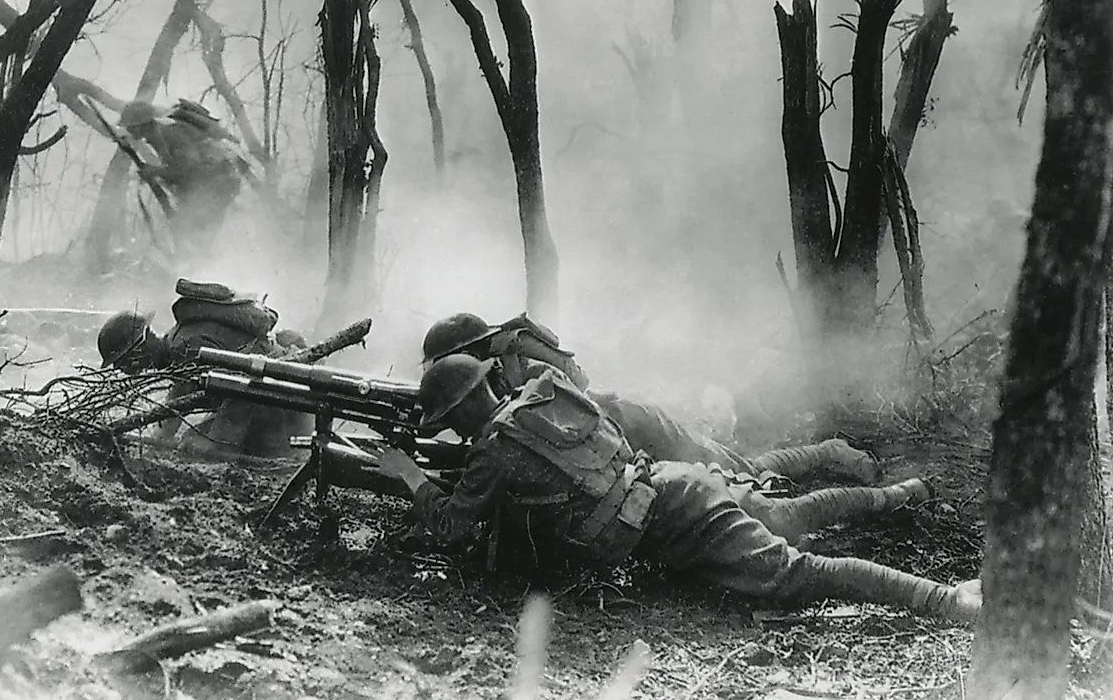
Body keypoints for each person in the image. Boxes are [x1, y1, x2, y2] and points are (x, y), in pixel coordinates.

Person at [375, 355, 980, 622]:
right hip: (671, 484)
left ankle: (947, 601)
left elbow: (454, 527)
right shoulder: (541, 396)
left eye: (447, 420)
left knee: (797, 572)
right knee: (789, 514)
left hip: (674, 515)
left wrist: (408, 476)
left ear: (459, 411)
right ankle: (903, 495)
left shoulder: (495, 452)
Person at [421, 313, 877, 486]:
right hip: (618, 442)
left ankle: (831, 453)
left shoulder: (521, 360)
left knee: (743, 471)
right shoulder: (495, 376)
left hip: (631, 424)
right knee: (731, 474)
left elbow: (574, 402)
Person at [97, 279, 309, 456]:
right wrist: (157, 440)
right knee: (191, 442)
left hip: (285, 404)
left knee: (200, 449)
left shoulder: (185, 349)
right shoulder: (178, 346)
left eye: (122, 362)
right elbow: (176, 405)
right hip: (272, 399)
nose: (123, 370)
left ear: (137, 350)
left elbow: (240, 389)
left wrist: (217, 446)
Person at [118, 99, 251, 252]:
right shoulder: (157, 136)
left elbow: (190, 167)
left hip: (216, 182)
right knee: (188, 230)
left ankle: (204, 265)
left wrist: (155, 171)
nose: (128, 130)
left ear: (140, 125)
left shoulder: (170, 133)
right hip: (209, 183)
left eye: (130, 127)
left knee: (195, 233)